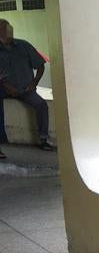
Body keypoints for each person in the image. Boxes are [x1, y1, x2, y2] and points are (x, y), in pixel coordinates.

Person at [0, 19, 55, 159]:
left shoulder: (23, 46)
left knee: (41, 105)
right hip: (4, 88)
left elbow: (40, 65)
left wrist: (34, 83)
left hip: (26, 89)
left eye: (6, 29)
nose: (6, 32)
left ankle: (43, 140)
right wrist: (7, 86)